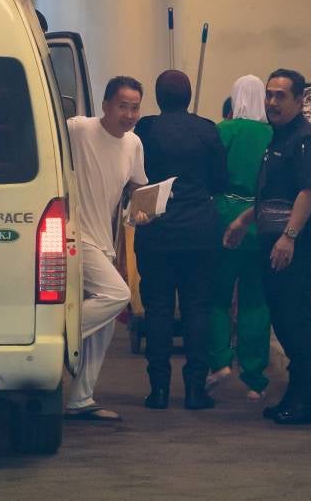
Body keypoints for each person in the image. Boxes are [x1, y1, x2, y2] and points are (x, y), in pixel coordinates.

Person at [224, 69, 311, 425]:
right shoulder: (278, 137)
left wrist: (289, 236)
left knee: (296, 322)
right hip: (271, 239)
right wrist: (244, 220)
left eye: (281, 96)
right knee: (283, 321)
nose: (272, 102)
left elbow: (307, 191)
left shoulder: (305, 139)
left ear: (300, 101)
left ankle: (307, 403)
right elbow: (272, 194)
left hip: (292, 246)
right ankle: (294, 398)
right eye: (269, 95)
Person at [135, 70, 227, 410]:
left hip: (155, 228)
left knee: (157, 310)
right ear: (188, 98)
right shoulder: (207, 129)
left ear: (157, 99)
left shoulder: (144, 129)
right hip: (200, 231)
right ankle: (194, 390)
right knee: (196, 310)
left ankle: (158, 390)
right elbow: (220, 180)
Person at [64, 76, 149, 421]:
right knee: (117, 295)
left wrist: (140, 213)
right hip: (75, 234)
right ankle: (57, 337)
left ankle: (81, 398)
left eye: (134, 107)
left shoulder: (134, 144)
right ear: (106, 105)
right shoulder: (78, 129)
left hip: (103, 240)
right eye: (122, 106)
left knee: (106, 325)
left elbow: (137, 193)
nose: (129, 114)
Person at [206, 75, 274, 401]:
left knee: (217, 294)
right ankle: (255, 377)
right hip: (261, 224)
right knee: (256, 300)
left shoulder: (222, 131)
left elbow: (211, 176)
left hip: (224, 219)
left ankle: (219, 362)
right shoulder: (273, 134)